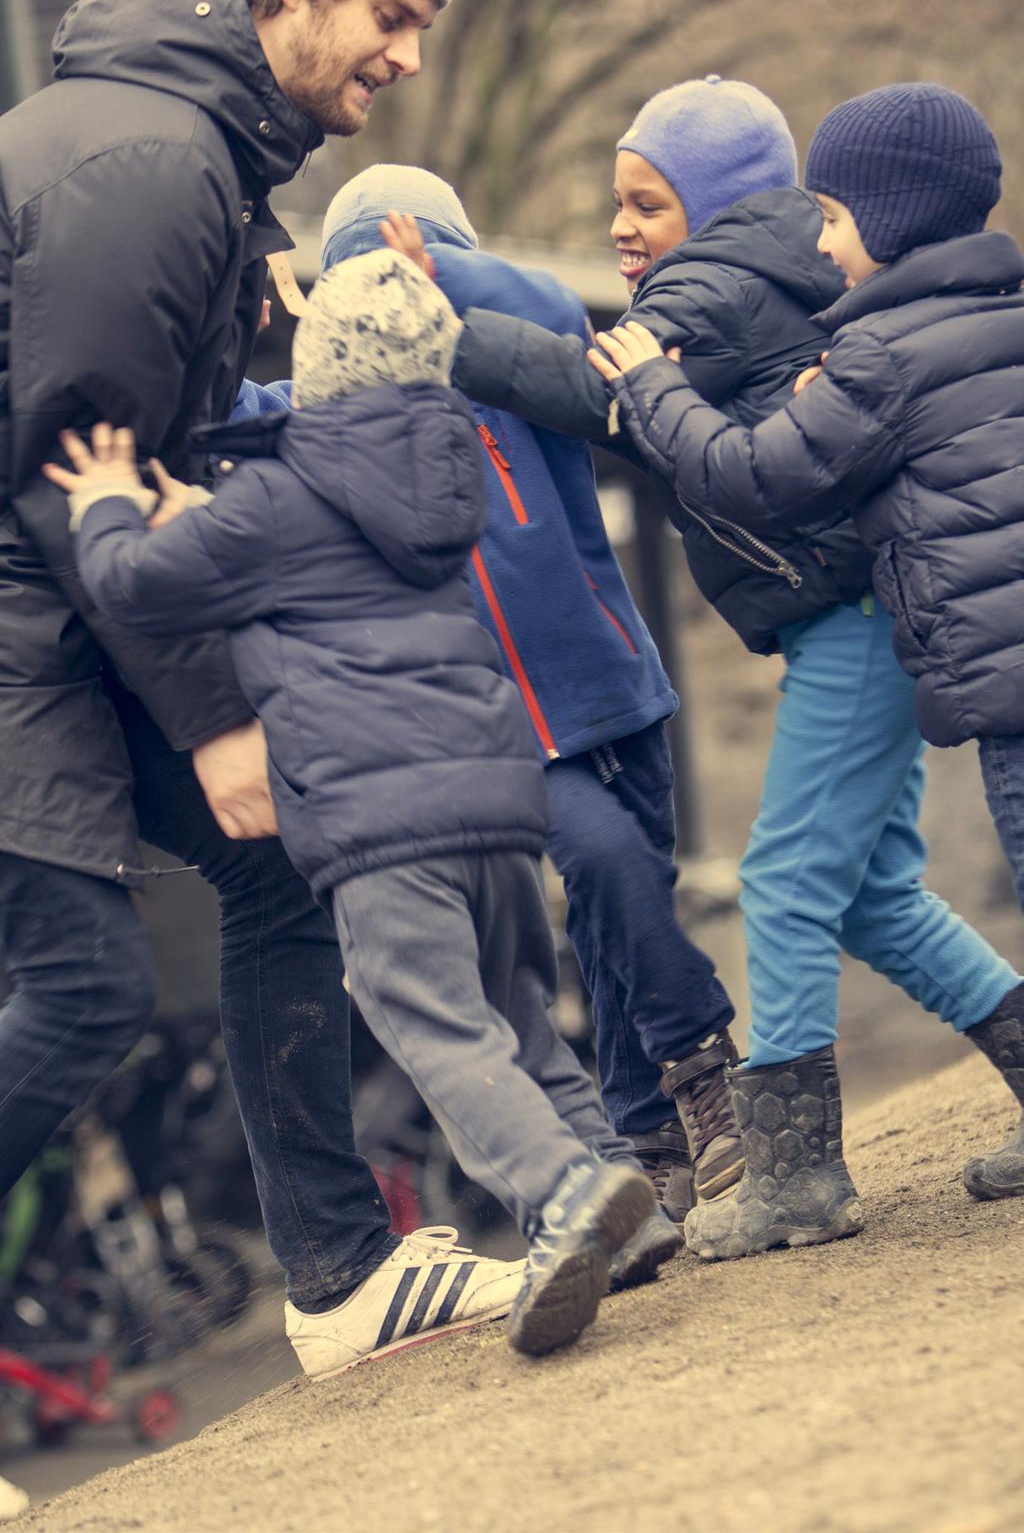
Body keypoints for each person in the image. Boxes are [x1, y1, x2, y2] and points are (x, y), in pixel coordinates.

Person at [0, 0, 523, 1375]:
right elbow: (67, 465)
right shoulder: (146, 167)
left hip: (57, 592)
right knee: (88, 981)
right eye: (386, 15)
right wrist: (218, 717)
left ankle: (343, 1276)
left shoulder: (197, 160)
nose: (407, 56)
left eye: (420, 22)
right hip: (30, 601)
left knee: (284, 863)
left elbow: (136, 441)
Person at [44, 250, 659, 1359]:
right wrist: (207, 505)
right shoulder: (439, 484)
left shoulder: (273, 506)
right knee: (518, 1011)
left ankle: (566, 1193)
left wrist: (100, 508)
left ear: (316, 367)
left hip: (383, 831)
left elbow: (136, 581)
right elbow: (303, 526)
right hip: (497, 804)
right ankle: (635, 1207)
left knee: (433, 1021)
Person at [588, 81, 1024, 1252]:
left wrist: (611, 372)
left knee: (783, 878)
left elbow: (745, 470)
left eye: (647, 200)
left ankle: (793, 1174)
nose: (621, 224)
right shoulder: (868, 305)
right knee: (872, 890)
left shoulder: (768, 313)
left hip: (858, 615)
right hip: (873, 613)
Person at [316, 165, 739, 1223]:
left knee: (622, 895)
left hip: (612, 679)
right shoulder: (347, 418)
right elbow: (245, 404)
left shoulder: (523, 360)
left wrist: (438, 273)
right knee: (603, 861)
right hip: (502, 725)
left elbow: (555, 309)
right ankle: (703, 1064)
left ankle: (646, 1134)